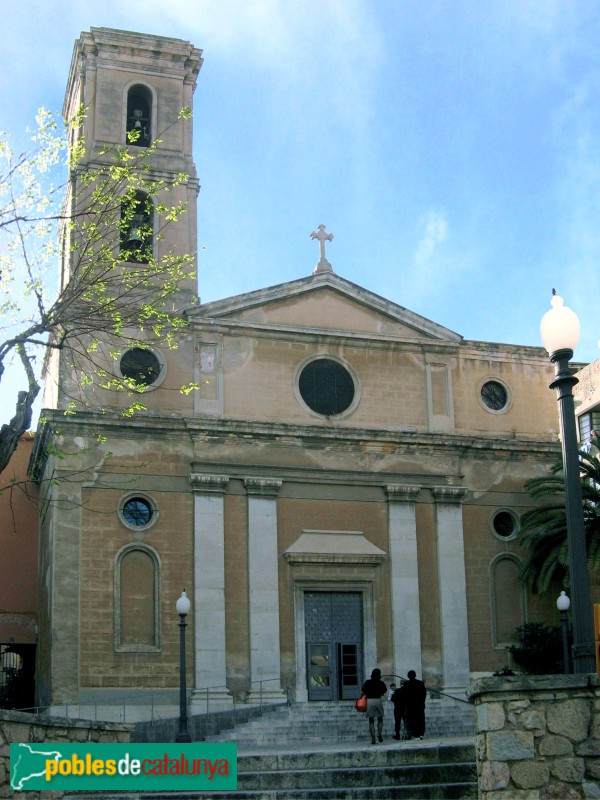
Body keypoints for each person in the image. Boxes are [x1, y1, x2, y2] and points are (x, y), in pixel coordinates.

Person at [396, 670, 426, 739]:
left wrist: (404, 705)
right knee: (420, 719)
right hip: (419, 705)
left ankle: (416, 734)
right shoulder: (420, 683)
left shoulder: (406, 685)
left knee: (412, 720)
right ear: (415, 675)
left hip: (410, 706)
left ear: (408, 676)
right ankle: (421, 733)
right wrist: (422, 702)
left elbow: (403, 696)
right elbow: (423, 694)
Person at [360, 668, 387, 744]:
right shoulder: (381, 682)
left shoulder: (368, 682)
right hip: (378, 700)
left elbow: (363, 690)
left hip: (370, 701)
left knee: (371, 720)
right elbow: (384, 690)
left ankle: (373, 738)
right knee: (380, 719)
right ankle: (379, 734)